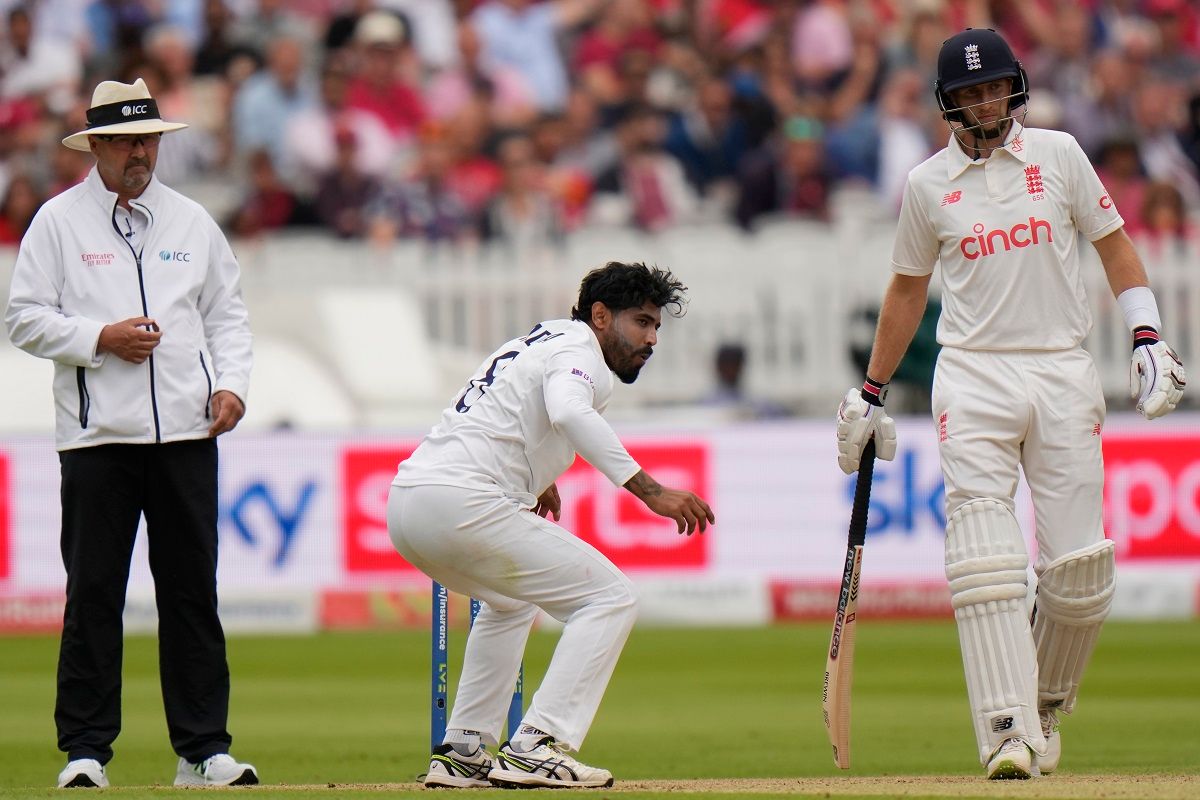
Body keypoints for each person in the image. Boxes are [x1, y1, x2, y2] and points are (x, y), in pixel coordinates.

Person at [834, 29, 1186, 781]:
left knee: (1080, 576)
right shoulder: (928, 185)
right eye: (967, 94)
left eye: (991, 87)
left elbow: (1115, 244)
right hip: (974, 376)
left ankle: (1046, 701)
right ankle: (1005, 732)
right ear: (947, 103)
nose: (982, 102)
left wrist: (1147, 335)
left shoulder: (1059, 155)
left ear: (1013, 86)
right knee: (987, 561)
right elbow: (906, 290)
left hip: (1062, 369)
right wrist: (870, 392)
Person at [3, 78, 257, 789]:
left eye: (149, 139)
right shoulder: (57, 222)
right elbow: (23, 316)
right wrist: (99, 338)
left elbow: (227, 315)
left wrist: (231, 384)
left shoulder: (191, 221)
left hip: (185, 434)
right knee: (93, 595)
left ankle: (203, 751)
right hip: (97, 438)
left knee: (190, 595)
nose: (141, 152)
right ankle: (85, 751)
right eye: (127, 142)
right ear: (98, 148)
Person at [388, 261, 714, 789]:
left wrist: (536, 474)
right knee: (610, 598)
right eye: (641, 322)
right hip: (464, 502)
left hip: (410, 503)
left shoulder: (539, 341)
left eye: (657, 326)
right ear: (601, 316)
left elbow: (507, 412)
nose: (652, 339)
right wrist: (650, 491)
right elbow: (568, 412)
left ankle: (463, 751)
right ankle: (538, 746)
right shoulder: (577, 350)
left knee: (511, 602)